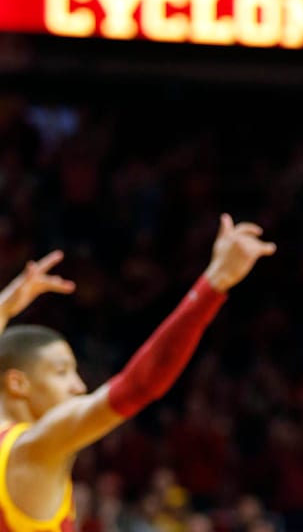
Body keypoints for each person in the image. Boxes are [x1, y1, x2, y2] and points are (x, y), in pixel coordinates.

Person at [0, 213, 275, 530]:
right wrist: (213, 285)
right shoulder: (34, 449)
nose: (78, 386)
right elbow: (138, 384)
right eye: (61, 372)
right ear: (17, 383)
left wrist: (6, 307)